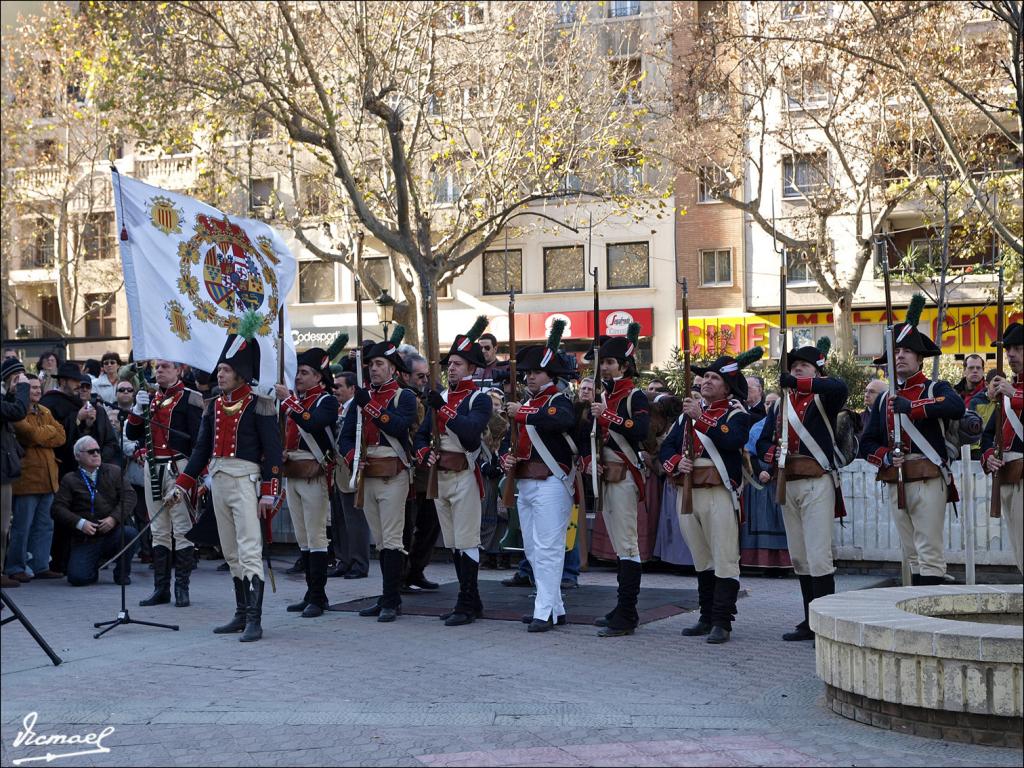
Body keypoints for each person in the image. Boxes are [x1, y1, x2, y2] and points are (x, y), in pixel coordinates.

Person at [171, 320, 283, 642]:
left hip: (246, 481)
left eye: (225, 369)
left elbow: (273, 454)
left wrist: (269, 492)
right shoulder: (215, 406)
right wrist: (184, 483)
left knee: (249, 549)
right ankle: (240, 612)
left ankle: (254, 619)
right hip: (218, 480)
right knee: (230, 551)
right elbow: (201, 449)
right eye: (219, 369)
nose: (219, 375)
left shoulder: (259, 403)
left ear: (241, 373)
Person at [861, 296, 965, 585]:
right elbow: (866, 442)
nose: (901, 355)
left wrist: (913, 408)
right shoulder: (882, 400)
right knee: (911, 555)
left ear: (920, 359)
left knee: (929, 554)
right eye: (896, 351)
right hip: (897, 479)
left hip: (928, 477)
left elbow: (955, 406)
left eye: (908, 351)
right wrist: (884, 456)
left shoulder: (935, 387)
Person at [660, 349, 758, 644]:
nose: (706, 381)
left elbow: (732, 440)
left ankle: (722, 622)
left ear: (728, 387)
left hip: (719, 491)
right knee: (702, 559)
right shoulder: (686, 416)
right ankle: (705, 616)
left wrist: (700, 418)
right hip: (689, 490)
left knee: (725, 558)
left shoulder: (736, 414)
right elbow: (667, 449)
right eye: (706, 377)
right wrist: (677, 463)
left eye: (715, 378)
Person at [756, 340, 848, 641]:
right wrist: (773, 453)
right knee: (799, 556)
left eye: (803, 366)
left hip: (816, 479)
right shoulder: (782, 404)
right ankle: (810, 621)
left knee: (819, 555)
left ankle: (826, 625)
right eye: (793, 366)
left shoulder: (824, 397)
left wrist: (799, 382)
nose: (795, 369)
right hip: (789, 481)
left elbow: (838, 388)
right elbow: (762, 442)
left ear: (816, 371)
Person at [415, 318, 493, 626]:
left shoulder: (479, 398)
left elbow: (471, 433)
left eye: (458, 364)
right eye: (450, 364)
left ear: (472, 368)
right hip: (441, 476)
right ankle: (470, 600)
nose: (452, 369)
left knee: (467, 541)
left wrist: (443, 410)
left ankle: (466, 601)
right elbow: (421, 436)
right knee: (453, 543)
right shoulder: (442, 398)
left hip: (465, 474)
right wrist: (425, 454)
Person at [500, 320, 577, 633]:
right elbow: (515, 439)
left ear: (551, 376)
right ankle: (555, 607)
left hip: (551, 481)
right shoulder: (528, 404)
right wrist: (508, 456)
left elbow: (559, 421)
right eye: (528, 372)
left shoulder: (557, 401)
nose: (530, 376)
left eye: (537, 372)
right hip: (526, 481)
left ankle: (543, 610)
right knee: (532, 549)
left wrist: (522, 412)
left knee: (548, 547)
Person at [339, 329, 417, 623]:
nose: (373, 368)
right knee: (381, 540)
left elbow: (399, 427)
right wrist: (352, 459)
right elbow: (345, 438)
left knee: (393, 539)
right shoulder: (361, 400)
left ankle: (392, 600)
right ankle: (386, 597)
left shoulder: (404, 396)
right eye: (370, 364)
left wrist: (367, 405)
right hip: (367, 472)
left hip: (393, 474)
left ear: (393, 368)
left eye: (380, 364)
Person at [579, 325, 650, 638]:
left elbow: (640, 430)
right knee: (620, 544)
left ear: (624, 365)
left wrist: (607, 415)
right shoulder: (604, 394)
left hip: (624, 474)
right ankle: (622, 608)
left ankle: (627, 612)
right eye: (602, 362)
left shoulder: (634, 395)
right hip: (605, 473)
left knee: (627, 545)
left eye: (609, 362)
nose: (604, 367)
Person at [125, 360, 204, 608]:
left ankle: (182, 587)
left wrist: (195, 475)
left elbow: (199, 440)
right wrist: (137, 410)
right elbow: (132, 435)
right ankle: (161, 589)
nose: (159, 371)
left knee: (182, 527)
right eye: (157, 367)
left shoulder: (189, 398)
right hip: (153, 465)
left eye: (165, 367)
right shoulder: (151, 398)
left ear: (179, 370)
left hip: (178, 465)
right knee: (158, 527)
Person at [275, 348, 339, 618]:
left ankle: (318, 596)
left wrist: (289, 402)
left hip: (315, 470)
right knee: (302, 536)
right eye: (298, 372)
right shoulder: (297, 402)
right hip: (294, 469)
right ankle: (311, 593)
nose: (298, 377)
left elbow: (313, 425)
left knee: (316, 535)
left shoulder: (326, 401)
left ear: (319, 377)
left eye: (304, 373)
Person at [52, 436, 138, 586]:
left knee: (130, 533)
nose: (96, 454)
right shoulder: (70, 479)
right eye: (91, 451)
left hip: (111, 533)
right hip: (86, 538)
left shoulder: (114, 471)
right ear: (78, 456)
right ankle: (94, 564)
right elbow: (57, 509)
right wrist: (80, 523)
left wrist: (114, 518)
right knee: (78, 579)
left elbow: (130, 496)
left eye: (98, 451)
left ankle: (122, 572)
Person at [6, 373, 65, 582]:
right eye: (32, 388)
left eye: (39, 387)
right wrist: (45, 433)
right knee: (22, 526)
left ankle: (40, 565)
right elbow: (30, 435)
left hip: (49, 479)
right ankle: (15, 567)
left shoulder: (45, 410)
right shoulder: (17, 412)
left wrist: (42, 434)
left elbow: (61, 436)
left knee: (45, 525)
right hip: (27, 479)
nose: (37, 391)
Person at [980, 322, 1022, 574]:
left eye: (1018, 348)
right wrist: (989, 458)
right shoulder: (1005, 392)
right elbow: (987, 437)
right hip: (1007, 479)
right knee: (1019, 552)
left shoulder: (1011, 391)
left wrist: (1014, 394)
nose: (1011, 355)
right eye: (1008, 350)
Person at [401, 352, 442, 592]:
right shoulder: (403, 397)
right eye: (419, 376)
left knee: (430, 525)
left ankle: (416, 571)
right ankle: (402, 574)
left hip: (426, 472)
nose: (424, 380)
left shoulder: (428, 396)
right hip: (406, 471)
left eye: (427, 376)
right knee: (406, 527)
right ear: (405, 375)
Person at [329, 370, 371, 579]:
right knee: (340, 519)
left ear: (353, 388)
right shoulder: (339, 409)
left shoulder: (357, 408)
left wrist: (353, 459)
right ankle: (343, 560)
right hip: (338, 469)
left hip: (351, 467)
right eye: (334, 386)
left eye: (339, 386)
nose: (334, 389)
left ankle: (359, 563)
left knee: (355, 520)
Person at [2, 358, 31, 588]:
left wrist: (13, 391)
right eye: (16, 376)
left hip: (4, 471)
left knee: (4, 528)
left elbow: (9, 409)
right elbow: (18, 412)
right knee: (2, 527)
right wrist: (22, 388)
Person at [76, 379, 119, 464]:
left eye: (87, 387)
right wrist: (86, 426)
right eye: (81, 387)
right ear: (76, 389)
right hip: (78, 463)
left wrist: (100, 460)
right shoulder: (72, 410)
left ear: (91, 389)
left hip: (101, 461)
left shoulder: (100, 411)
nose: (84, 389)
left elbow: (111, 441)